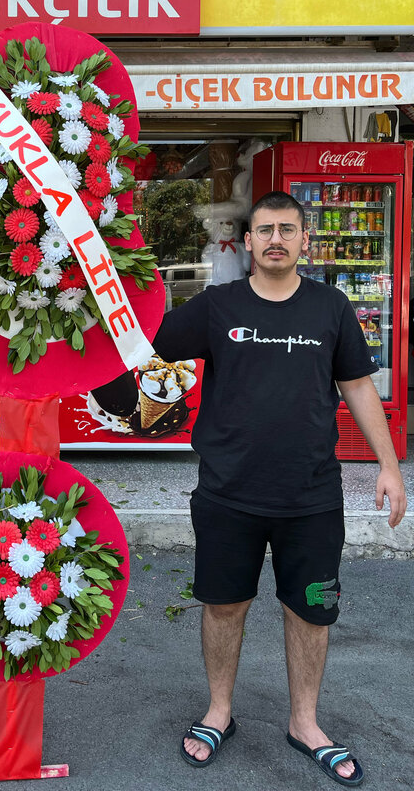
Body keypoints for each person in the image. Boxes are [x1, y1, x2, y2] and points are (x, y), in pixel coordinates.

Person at [94, 190, 407, 787]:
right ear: (249, 240)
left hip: (311, 495)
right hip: (227, 492)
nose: (276, 240)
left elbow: (360, 388)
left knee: (311, 613)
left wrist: (388, 465)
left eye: (288, 230)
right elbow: (139, 341)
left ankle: (305, 722)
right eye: (265, 230)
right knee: (224, 605)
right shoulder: (217, 306)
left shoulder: (332, 308)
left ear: (304, 240)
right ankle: (219, 712)